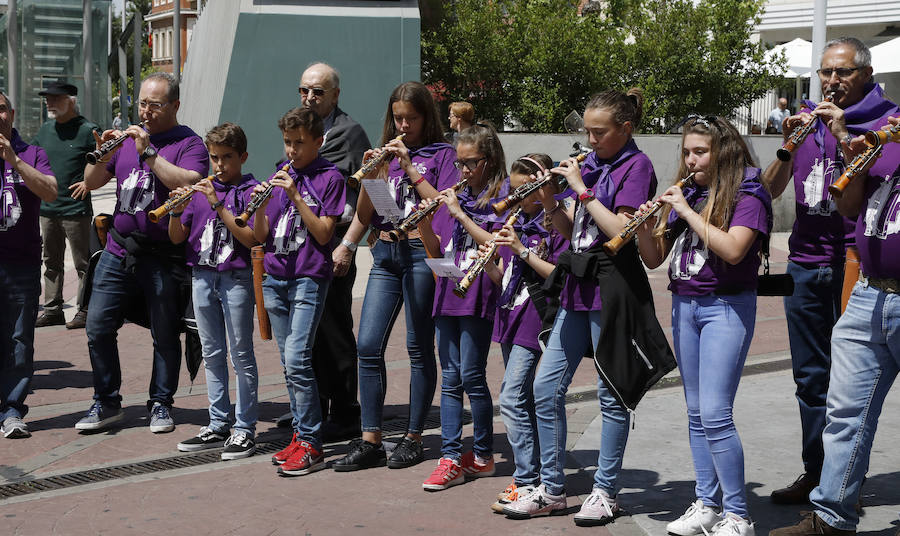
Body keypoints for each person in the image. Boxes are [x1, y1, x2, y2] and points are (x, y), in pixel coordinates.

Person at [501, 89, 658, 523]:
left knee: (611, 397)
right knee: (544, 388)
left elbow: (621, 231)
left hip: (612, 289)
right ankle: (552, 489)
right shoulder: (593, 164)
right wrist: (551, 199)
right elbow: (576, 232)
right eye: (586, 131)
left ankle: (605, 490)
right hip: (576, 287)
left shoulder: (636, 165)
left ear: (625, 129)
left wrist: (581, 190)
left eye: (598, 132)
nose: (589, 140)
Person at [761, 37, 899, 505]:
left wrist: (842, 134)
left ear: (866, 73)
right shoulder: (806, 120)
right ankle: (817, 473)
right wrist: (786, 146)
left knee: (851, 387)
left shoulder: (888, 121)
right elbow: (770, 190)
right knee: (810, 378)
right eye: (825, 73)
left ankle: (844, 485)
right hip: (804, 260)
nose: (831, 82)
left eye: (842, 73)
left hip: (855, 264)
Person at [636, 115, 771, 535]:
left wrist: (683, 210)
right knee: (695, 413)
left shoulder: (749, 192)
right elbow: (654, 257)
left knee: (715, 414)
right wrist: (642, 226)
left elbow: (733, 249)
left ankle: (738, 516)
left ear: (723, 152)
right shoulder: (692, 192)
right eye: (687, 152)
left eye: (700, 151)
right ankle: (707, 504)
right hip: (686, 306)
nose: (690, 160)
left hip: (725, 307)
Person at [330, 81, 456, 472]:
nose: (403, 126)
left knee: (419, 347)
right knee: (367, 344)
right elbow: (374, 210)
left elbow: (444, 205)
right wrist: (374, 175)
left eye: (411, 119)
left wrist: (407, 166)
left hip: (422, 251)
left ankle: (415, 436)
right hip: (385, 250)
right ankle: (371, 439)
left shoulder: (442, 154)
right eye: (398, 118)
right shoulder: (386, 151)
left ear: (426, 118)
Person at [74, 72, 210, 434]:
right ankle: (106, 401)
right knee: (97, 325)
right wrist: (104, 151)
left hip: (163, 254)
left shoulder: (189, 143)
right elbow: (90, 182)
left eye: (155, 105)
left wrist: (147, 151)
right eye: (142, 104)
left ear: (175, 106)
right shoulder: (126, 140)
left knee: (165, 334)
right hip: (119, 248)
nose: (146, 112)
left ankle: (161, 403)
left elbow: (188, 182)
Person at [417, 122, 507, 491]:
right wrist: (423, 222)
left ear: (489, 160)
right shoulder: (453, 196)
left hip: (478, 295)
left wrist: (459, 214)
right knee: (450, 378)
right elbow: (436, 249)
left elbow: (495, 245)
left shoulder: (501, 196)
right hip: (448, 291)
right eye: (460, 163)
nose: (464, 171)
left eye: (471, 163)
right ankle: (451, 456)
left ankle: (483, 455)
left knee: (472, 375)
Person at [256, 107, 346, 477]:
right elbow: (262, 234)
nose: (291, 151)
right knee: (287, 363)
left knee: (298, 359)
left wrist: (295, 196)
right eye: (287, 143)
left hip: (309, 277)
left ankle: (312, 443)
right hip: (275, 276)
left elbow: (325, 234)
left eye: (299, 144)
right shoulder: (281, 172)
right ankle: (299, 434)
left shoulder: (329, 177)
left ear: (318, 141)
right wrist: (259, 206)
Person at [479, 153, 570, 512]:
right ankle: (536, 474)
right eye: (511, 191)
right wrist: (488, 263)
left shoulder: (554, 224)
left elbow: (558, 277)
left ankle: (527, 478)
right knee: (524, 400)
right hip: (510, 313)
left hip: (536, 315)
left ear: (541, 189)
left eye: (522, 192)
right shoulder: (518, 223)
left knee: (513, 397)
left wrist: (520, 248)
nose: (513, 199)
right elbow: (504, 278)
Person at [169, 123, 260, 460]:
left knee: (241, 353)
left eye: (227, 158)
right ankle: (218, 421)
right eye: (214, 158)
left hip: (235, 277)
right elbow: (177, 236)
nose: (219, 165)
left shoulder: (251, 190)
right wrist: (176, 210)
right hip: (202, 276)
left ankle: (244, 428)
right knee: (211, 352)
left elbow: (252, 238)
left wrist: (218, 203)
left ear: (242, 157)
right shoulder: (199, 191)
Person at [298, 62, 372, 440]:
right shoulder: (299, 128)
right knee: (305, 331)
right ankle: (312, 407)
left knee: (334, 329)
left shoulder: (349, 133)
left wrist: (350, 244)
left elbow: (370, 190)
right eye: (304, 91)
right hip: (301, 242)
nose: (309, 98)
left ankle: (345, 411)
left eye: (318, 92)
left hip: (335, 242)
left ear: (335, 95)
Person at [0, 91, 58, 439]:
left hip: (21, 264)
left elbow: (51, 191)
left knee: (20, 339)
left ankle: (11, 410)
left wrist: (14, 160)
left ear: (13, 112)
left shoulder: (32, 153)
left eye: (2, 108)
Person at [32, 80, 99, 330]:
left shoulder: (88, 130)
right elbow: (34, 159)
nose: (49, 102)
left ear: (71, 101)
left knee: (83, 263)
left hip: (75, 209)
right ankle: (52, 310)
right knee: (51, 261)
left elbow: (107, 162)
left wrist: (88, 183)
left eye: (55, 98)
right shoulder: (45, 129)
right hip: (48, 208)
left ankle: (84, 309)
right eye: (47, 98)